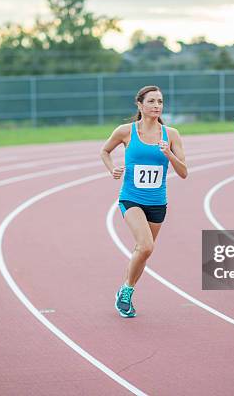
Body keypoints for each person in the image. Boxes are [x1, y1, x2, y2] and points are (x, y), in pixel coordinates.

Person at [101, 85, 188, 317]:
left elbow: (184, 172)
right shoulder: (125, 131)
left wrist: (169, 154)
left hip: (158, 203)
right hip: (131, 198)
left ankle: (125, 289)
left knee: (143, 251)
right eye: (151, 102)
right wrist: (112, 170)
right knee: (146, 245)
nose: (156, 106)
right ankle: (127, 292)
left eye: (159, 102)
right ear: (140, 105)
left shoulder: (172, 134)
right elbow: (104, 151)